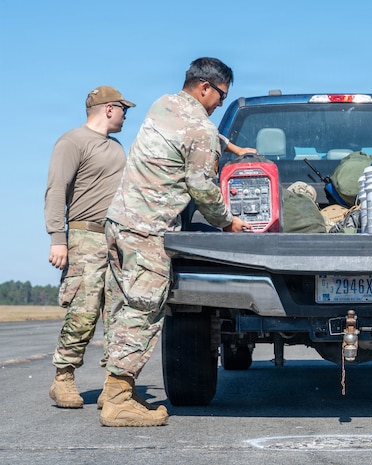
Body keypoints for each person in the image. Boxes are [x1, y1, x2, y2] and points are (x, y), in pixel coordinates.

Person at [98, 57, 251, 427]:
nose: (219, 104)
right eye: (220, 96)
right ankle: (118, 401)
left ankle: (111, 387)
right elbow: (202, 188)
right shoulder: (199, 127)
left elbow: (197, 131)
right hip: (149, 229)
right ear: (204, 88)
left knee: (121, 308)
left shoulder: (163, 105)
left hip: (120, 222)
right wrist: (229, 223)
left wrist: (233, 149)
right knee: (144, 309)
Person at [44, 86, 135, 409]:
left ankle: (114, 387)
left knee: (118, 315)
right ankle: (64, 378)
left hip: (117, 239)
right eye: (124, 109)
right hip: (84, 237)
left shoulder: (117, 147)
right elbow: (56, 191)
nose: (127, 115)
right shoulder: (72, 142)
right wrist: (58, 239)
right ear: (109, 109)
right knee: (82, 312)